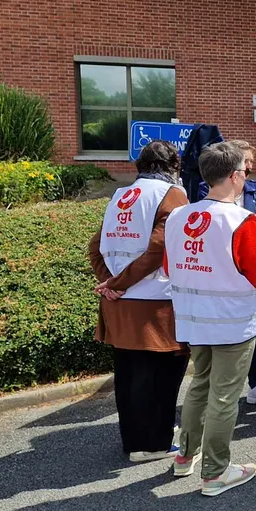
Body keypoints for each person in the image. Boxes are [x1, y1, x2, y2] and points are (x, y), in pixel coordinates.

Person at [165, 142, 256, 496]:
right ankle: (215, 472)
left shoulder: (178, 216)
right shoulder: (241, 220)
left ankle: (185, 456)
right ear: (235, 176)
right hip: (231, 320)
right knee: (225, 395)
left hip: (192, 319)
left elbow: (170, 267)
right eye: (244, 172)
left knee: (200, 384)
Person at [89, 140, 189, 463]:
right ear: (173, 166)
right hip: (154, 306)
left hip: (120, 305)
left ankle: (133, 441)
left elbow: (95, 245)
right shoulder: (171, 195)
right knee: (162, 374)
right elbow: (158, 251)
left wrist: (110, 284)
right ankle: (154, 443)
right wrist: (115, 283)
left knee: (128, 374)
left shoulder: (120, 195)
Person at [197, 139, 256, 407]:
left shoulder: (255, 188)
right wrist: (251, 218)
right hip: (221, 276)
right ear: (233, 169)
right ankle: (216, 398)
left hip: (252, 271)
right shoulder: (204, 190)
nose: (251, 168)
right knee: (223, 341)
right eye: (246, 163)